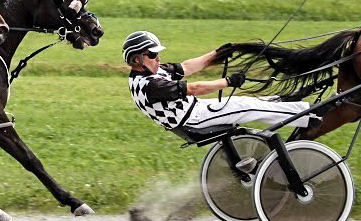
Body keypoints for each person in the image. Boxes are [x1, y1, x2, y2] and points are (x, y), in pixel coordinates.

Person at [123, 30, 315, 140]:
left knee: (248, 102)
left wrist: (217, 54)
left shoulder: (153, 72)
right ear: (136, 59)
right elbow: (194, 89)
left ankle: (293, 105)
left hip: (196, 111)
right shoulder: (150, 85)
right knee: (245, 106)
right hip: (194, 120)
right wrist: (228, 82)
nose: (158, 58)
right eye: (153, 54)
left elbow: (187, 67)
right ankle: (310, 116)